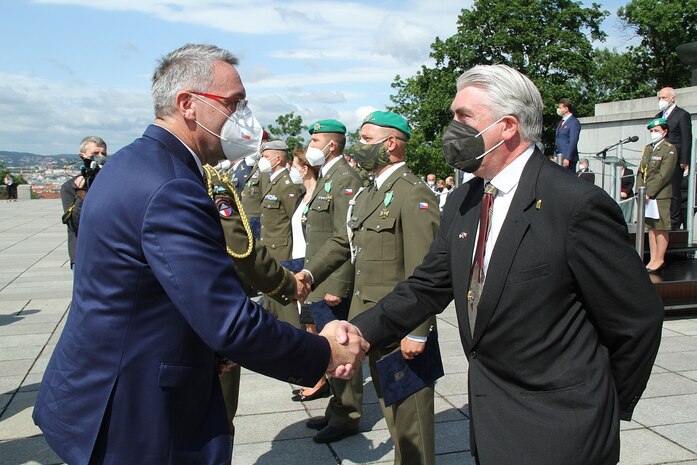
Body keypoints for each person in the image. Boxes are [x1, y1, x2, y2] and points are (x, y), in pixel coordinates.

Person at [32, 43, 367, 465]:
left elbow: (155, 291)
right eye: (235, 103)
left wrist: (210, 350)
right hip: (138, 413)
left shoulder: (137, 161)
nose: (245, 116)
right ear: (188, 105)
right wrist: (323, 353)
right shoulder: (171, 186)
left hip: (106, 389)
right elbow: (228, 320)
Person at [346, 64, 663, 465]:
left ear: (508, 126)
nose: (452, 129)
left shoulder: (574, 204)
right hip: (492, 420)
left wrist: (601, 405)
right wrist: (356, 331)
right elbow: (426, 286)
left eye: (463, 117)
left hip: (565, 431)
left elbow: (637, 319)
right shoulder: (466, 200)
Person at [301, 111, 440, 463]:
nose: (358, 146)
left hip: (401, 328)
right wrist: (309, 275)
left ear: (390, 143)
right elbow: (341, 242)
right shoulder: (367, 193)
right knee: (391, 413)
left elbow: (426, 273)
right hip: (370, 322)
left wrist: (419, 332)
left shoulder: (413, 194)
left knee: (410, 426)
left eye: (365, 138)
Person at [298, 119, 364, 434]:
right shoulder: (328, 176)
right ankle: (335, 410)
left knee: (341, 352)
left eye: (315, 140)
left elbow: (347, 237)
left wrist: (338, 284)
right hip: (320, 279)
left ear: (332, 144)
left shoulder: (345, 179)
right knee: (329, 352)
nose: (311, 146)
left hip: (331, 283)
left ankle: (347, 416)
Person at [288, 148, 331, 402]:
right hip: (298, 265)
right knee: (307, 325)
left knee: (317, 325)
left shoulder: (322, 195)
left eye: (295, 165)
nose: (292, 170)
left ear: (304, 168)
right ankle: (318, 378)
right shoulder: (301, 197)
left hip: (315, 267)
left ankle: (321, 380)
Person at [258, 140, 303, 327]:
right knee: (272, 303)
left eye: (265, 157)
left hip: (282, 251)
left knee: (285, 309)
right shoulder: (272, 181)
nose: (262, 160)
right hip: (270, 248)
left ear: (278, 159)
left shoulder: (287, 185)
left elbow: (296, 221)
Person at [59, 136, 107, 269]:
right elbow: (75, 223)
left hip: (109, 253)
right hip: (83, 254)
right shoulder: (70, 187)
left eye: (103, 153)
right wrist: (80, 195)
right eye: (95, 154)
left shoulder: (111, 182)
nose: (100, 157)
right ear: (83, 156)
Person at [637, 117, 677, 273]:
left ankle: (660, 259)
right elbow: (641, 171)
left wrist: (649, 192)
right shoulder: (648, 148)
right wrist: (639, 190)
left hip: (660, 194)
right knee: (651, 228)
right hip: (646, 194)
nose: (653, 133)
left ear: (665, 132)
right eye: (652, 131)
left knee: (661, 227)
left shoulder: (669, 149)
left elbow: (664, 175)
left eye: (656, 131)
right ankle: (653, 258)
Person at [656, 87, 693, 230]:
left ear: (672, 98)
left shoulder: (682, 115)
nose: (661, 101)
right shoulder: (659, 116)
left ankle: (674, 222)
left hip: (675, 158)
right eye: (659, 98)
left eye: (664, 98)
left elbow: (686, 138)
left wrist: (685, 160)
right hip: (660, 157)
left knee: (675, 191)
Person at [554, 98, 581, 172]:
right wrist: (555, 155)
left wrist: (568, 158)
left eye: (560, 108)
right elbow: (558, 140)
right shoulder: (561, 122)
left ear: (566, 109)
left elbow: (573, 141)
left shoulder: (574, 122)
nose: (558, 109)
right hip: (559, 158)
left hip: (568, 160)